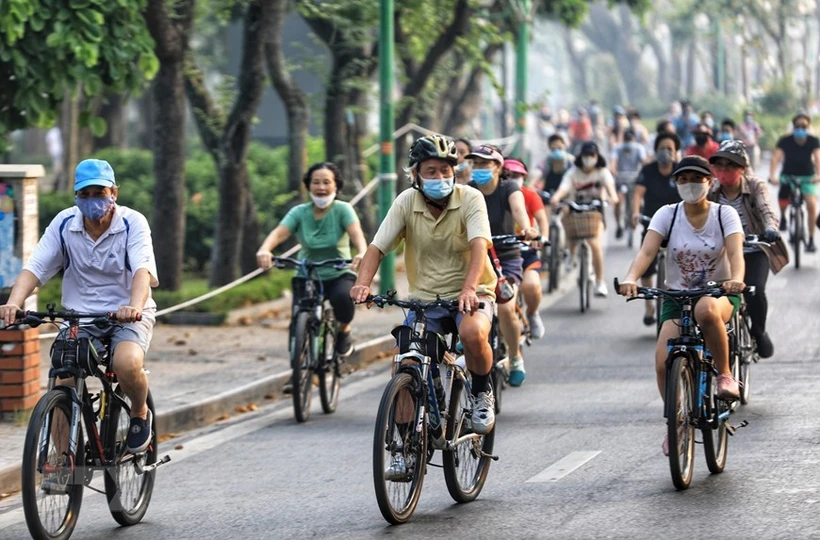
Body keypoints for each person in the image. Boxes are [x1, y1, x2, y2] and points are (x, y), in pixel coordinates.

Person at [0, 159, 159, 454]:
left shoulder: (131, 223)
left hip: (128, 315)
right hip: (79, 318)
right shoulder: (64, 224)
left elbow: (142, 271)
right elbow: (35, 268)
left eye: (99, 193)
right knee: (64, 376)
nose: (92, 201)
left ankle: (139, 413)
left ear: (114, 192)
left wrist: (133, 307)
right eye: (84, 195)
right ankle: (63, 460)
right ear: (75, 196)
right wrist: (13, 302)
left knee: (126, 363)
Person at [350, 134, 499, 440]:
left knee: (472, 333)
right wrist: (362, 285)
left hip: (472, 292)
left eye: (445, 170)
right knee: (404, 363)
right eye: (431, 171)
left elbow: (479, 246)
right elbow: (377, 248)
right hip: (424, 300)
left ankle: (482, 393)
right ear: (415, 174)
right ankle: (405, 442)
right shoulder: (406, 202)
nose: (440, 177)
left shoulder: (471, 198)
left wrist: (469, 289)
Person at [617, 156, 746, 455]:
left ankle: (724, 373)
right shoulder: (667, 214)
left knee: (705, 311)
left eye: (697, 178)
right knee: (663, 361)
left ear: (709, 182)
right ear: (676, 183)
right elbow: (647, 251)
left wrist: (736, 279)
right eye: (683, 178)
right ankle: (676, 423)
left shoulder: (724, 215)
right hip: (676, 297)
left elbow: (736, 253)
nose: (690, 184)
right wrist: (631, 278)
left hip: (719, 292)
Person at [257, 162, 368, 357]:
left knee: (343, 299)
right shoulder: (299, 212)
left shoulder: (343, 210)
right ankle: (298, 371)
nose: (321, 187)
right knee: (298, 321)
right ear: (308, 185)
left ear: (336, 186)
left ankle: (344, 332)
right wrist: (265, 249)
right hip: (306, 272)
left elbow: (356, 233)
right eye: (316, 182)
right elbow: (279, 233)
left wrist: (361, 252)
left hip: (338, 271)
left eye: (327, 182)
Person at [708, 140, 788, 358]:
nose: (725, 171)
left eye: (731, 166)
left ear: (742, 169)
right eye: (720, 165)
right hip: (722, 255)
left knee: (755, 290)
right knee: (708, 293)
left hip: (753, 250)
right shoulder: (711, 190)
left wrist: (770, 228)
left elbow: (767, 210)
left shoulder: (755, 186)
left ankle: (759, 331)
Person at [466, 144, 539, 386]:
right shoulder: (467, 190)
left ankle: (515, 357)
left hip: (506, 258)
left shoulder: (509, 188)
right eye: (475, 164)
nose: (478, 169)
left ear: (498, 167)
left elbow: (519, 209)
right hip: (475, 257)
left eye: (484, 164)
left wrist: (527, 228)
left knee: (506, 307)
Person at [550, 141, 619, 297]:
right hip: (575, 208)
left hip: (595, 212)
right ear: (581, 157)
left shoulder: (602, 172)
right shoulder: (573, 173)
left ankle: (600, 282)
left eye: (592, 155)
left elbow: (610, 189)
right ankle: (571, 254)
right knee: (571, 231)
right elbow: (564, 188)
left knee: (595, 244)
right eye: (586, 155)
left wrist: (612, 198)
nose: (589, 159)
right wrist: (556, 197)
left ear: (597, 157)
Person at [631, 132, 683, 325]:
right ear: (655, 151)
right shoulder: (648, 171)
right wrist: (635, 213)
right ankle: (649, 306)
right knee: (646, 264)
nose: (666, 152)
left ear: (676, 151)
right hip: (651, 223)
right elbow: (638, 194)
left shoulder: (681, 171)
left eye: (670, 149)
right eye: (662, 148)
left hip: (678, 225)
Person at [503, 157, 549, 339]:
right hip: (497, 253)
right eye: (508, 175)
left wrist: (541, 237)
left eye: (517, 176)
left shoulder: (530, 195)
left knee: (531, 286)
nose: (512, 179)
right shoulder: (489, 195)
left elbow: (542, 220)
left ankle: (532, 312)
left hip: (525, 251)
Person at [768, 112, 820, 250]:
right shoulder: (785, 140)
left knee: (811, 204)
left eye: (804, 126)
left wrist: (819, 174)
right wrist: (772, 176)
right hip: (788, 176)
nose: (800, 129)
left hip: (808, 177)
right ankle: (783, 217)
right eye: (798, 126)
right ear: (793, 126)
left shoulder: (813, 140)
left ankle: (810, 239)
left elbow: (818, 158)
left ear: (808, 127)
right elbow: (776, 158)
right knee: (783, 195)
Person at [610, 128, 648, 238]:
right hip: (621, 179)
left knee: (639, 201)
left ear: (634, 140)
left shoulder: (639, 148)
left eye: (630, 140)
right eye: (626, 140)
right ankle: (619, 225)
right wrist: (613, 169)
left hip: (635, 180)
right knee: (618, 201)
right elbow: (613, 161)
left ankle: (635, 219)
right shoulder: (617, 148)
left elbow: (644, 162)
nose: (628, 143)